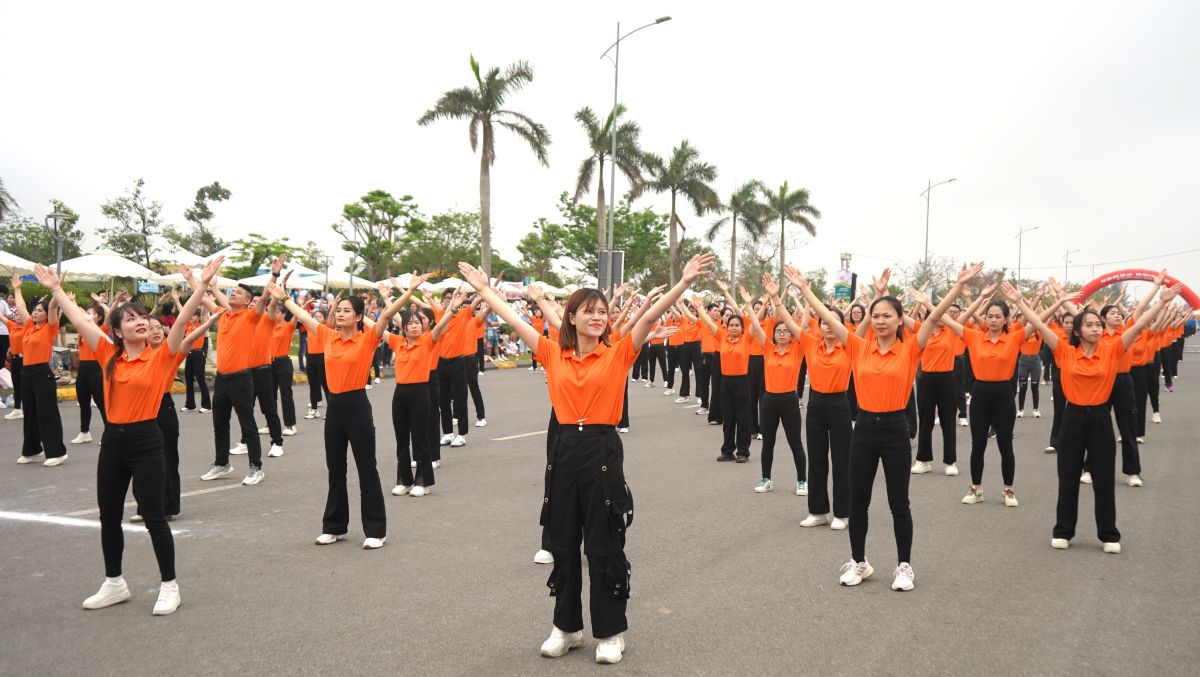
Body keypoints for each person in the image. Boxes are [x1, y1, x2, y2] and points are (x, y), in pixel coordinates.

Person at [462, 254, 713, 665]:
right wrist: (485, 291)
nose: (598, 318)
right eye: (589, 312)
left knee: (604, 541)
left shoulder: (618, 353)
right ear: (572, 318)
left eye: (603, 312)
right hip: (563, 450)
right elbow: (514, 320)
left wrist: (682, 284)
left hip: (601, 449)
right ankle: (567, 627)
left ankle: (611, 632)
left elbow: (648, 319)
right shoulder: (550, 352)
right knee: (563, 542)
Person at [34, 258, 222, 615]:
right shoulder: (107, 353)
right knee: (109, 515)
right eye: (131, 319)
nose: (141, 323)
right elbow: (77, 319)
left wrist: (201, 286)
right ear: (117, 330)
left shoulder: (162, 356)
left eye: (143, 319)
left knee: (152, 515)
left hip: (146, 441)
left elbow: (181, 322)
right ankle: (114, 582)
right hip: (114, 443)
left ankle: (170, 585)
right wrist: (56, 289)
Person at [793, 262, 983, 591]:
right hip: (864, 428)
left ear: (899, 320)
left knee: (899, 503)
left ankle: (904, 566)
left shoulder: (910, 348)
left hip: (896, 428)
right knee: (858, 502)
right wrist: (805, 289)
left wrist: (957, 286)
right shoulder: (857, 346)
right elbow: (827, 315)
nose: (880, 321)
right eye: (876, 316)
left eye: (887, 316)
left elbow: (935, 318)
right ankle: (859, 562)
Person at [1010, 281, 1179, 552]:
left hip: (1101, 419)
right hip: (1072, 418)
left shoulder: (1112, 349)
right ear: (1077, 330)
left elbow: (1137, 325)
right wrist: (1020, 302)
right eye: (1089, 325)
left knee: (1103, 477)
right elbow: (1040, 326)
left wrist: (1162, 301)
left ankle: (1109, 534)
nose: (1096, 328)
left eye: (1098, 325)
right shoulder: (1065, 350)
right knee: (1067, 477)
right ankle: (1064, 530)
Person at [267, 275, 414, 549]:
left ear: (359, 317)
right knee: (335, 468)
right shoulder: (327, 335)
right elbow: (303, 316)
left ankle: (376, 530)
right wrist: (284, 296)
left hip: (357, 406)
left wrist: (409, 291)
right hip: (334, 407)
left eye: (347, 310)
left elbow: (389, 314)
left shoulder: (368, 338)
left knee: (366, 468)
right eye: (339, 310)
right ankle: (334, 526)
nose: (341, 314)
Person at [186, 258, 274, 486]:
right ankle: (222, 463)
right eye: (232, 291)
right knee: (219, 423)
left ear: (247, 301)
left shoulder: (251, 316)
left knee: (248, 424)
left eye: (238, 293)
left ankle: (256, 467)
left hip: (241, 379)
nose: (233, 293)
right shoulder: (222, 313)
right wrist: (190, 278)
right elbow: (203, 296)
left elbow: (264, 298)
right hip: (222, 379)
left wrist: (273, 276)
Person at [385, 275, 454, 496]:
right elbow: (386, 319)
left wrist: (453, 306)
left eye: (417, 323)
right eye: (410, 323)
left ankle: (422, 481)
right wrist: (386, 298)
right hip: (400, 394)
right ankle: (404, 480)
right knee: (401, 439)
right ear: (403, 327)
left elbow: (442, 322)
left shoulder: (428, 340)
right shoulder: (398, 342)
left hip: (421, 392)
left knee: (420, 438)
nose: (414, 326)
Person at [742, 275, 808, 495]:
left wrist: (804, 299)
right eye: (778, 331)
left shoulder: (797, 349)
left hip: (789, 400)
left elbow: (803, 323)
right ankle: (766, 479)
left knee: (795, 443)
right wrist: (750, 305)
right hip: (769, 400)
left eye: (785, 331)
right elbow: (755, 324)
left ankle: (801, 481)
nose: (781, 334)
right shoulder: (768, 348)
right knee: (767, 442)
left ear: (791, 334)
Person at [695, 280, 753, 463]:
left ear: (742, 328)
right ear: (726, 327)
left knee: (743, 418)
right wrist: (699, 308)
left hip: (742, 382)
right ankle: (727, 450)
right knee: (728, 418)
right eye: (731, 325)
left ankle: (743, 452)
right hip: (726, 382)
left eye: (737, 325)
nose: (734, 327)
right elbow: (707, 321)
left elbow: (754, 318)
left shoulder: (746, 339)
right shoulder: (722, 337)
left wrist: (747, 304)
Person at [12, 278, 68, 467]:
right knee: (30, 413)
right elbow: (20, 307)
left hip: (42, 374)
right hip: (26, 373)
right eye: (34, 310)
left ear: (46, 314)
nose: (35, 312)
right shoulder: (29, 326)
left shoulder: (50, 328)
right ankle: (32, 449)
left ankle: (57, 452)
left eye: (39, 310)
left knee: (47, 413)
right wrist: (17, 289)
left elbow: (53, 308)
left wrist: (55, 290)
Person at [72, 301, 109, 445]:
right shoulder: (82, 331)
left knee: (101, 403)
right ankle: (84, 432)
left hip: (96, 369)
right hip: (83, 369)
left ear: (99, 317)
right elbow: (76, 315)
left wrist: (103, 302)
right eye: (88, 313)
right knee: (83, 402)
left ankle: (108, 431)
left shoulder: (101, 330)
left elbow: (110, 317)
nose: (89, 315)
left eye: (93, 313)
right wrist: (72, 303)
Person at [181, 306, 212, 413]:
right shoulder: (189, 326)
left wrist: (203, 302)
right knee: (188, 380)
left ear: (199, 317)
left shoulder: (202, 326)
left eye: (194, 315)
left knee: (200, 379)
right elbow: (183, 312)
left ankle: (207, 406)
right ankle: (190, 405)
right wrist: (176, 301)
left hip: (199, 354)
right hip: (189, 354)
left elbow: (204, 314)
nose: (191, 317)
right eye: (191, 314)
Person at [304, 307, 331, 419]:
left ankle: (330, 411)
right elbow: (303, 316)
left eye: (320, 317)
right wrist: (304, 305)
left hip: (322, 358)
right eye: (315, 316)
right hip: (310, 358)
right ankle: (314, 410)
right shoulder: (310, 328)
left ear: (324, 319)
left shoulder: (326, 328)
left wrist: (334, 305)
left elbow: (331, 318)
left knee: (325, 385)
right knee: (313, 385)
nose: (317, 318)